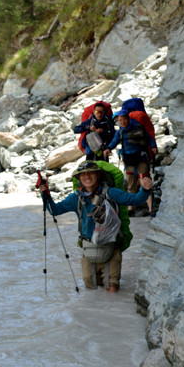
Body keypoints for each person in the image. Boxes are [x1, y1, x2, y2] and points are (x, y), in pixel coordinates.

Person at [38, 160, 152, 292]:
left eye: (90, 173)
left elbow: (135, 200)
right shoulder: (76, 198)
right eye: (83, 174)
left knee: (112, 289)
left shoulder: (111, 193)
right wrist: (45, 194)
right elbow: (55, 210)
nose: (87, 177)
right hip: (89, 251)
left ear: (98, 175)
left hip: (111, 249)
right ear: (79, 178)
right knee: (92, 289)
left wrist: (145, 189)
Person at [105, 109, 157, 215]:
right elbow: (114, 142)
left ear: (128, 119)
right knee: (131, 183)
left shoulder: (138, 128)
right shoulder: (120, 132)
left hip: (140, 159)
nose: (122, 122)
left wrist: (153, 146)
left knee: (145, 181)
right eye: (120, 120)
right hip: (128, 160)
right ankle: (131, 208)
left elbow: (149, 138)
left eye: (124, 119)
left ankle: (150, 208)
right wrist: (108, 148)